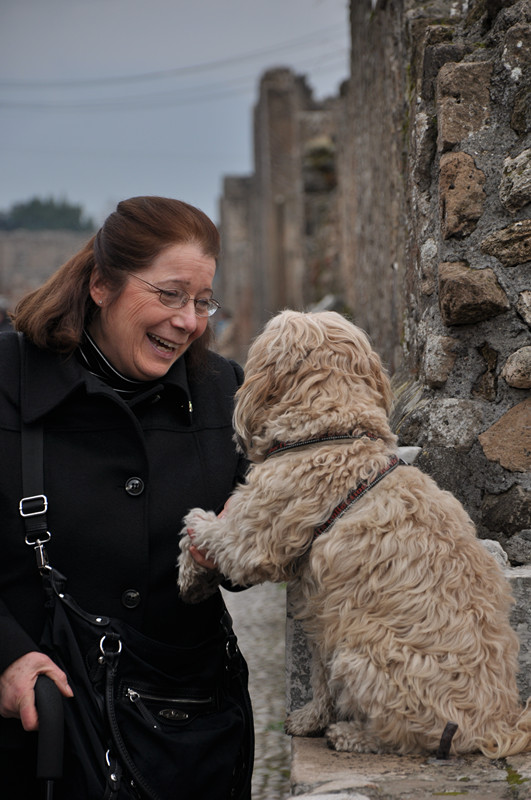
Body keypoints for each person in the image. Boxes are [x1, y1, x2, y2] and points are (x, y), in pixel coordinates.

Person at [0, 196, 253, 798]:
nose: (188, 322)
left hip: (189, 733)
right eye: (169, 294)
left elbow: (257, 534)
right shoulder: (7, 378)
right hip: (44, 735)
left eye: (201, 301)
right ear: (100, 285)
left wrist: (245, 538)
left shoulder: (223, 390)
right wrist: (7, 656)